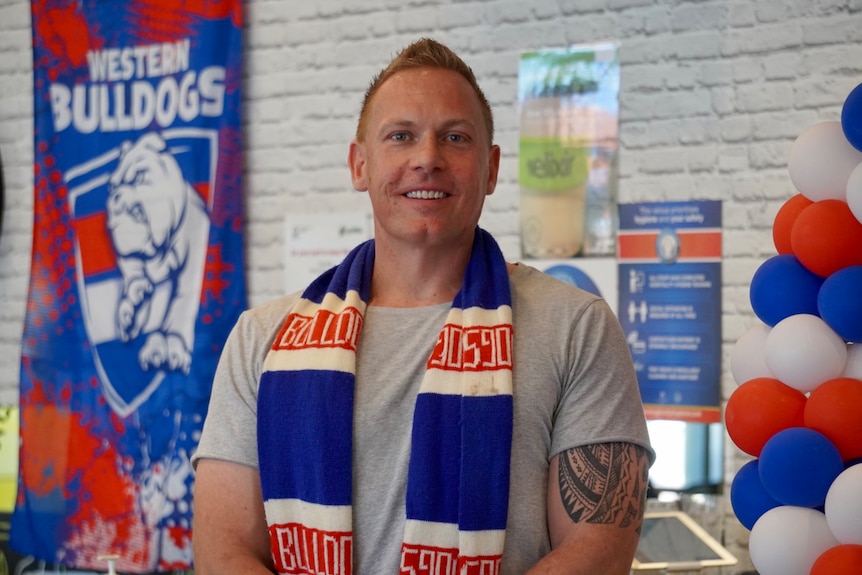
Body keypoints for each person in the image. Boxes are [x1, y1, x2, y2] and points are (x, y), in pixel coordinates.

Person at [191, 37, 653, 575]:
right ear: (359, 164)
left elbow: (597, 552)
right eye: (401, 136)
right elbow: (224, 550)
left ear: (491, 169)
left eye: (455, 138)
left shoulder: (576, 328)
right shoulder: (261, 338)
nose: (427, 158)